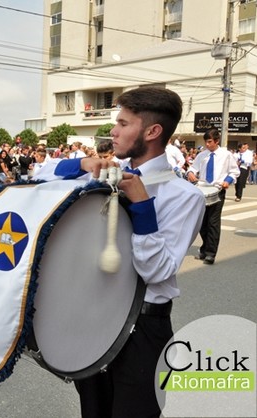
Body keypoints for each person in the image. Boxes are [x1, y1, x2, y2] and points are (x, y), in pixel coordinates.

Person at [35, 86, 205, 418]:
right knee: (93, 411)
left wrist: (142, 206)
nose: (113, 131)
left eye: (124, 123)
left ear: (152, 132)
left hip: (144, 330)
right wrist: (82, 163)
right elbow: (38, 177)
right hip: (94, 318)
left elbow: (158, 271)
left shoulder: (184, 196)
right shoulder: (105, 176)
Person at [186, 128, 239, 265]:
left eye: (209, 141)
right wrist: (190, 173)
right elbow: (193, 168)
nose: (207, 144)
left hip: (217, 190)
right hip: (202, 191)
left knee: (213, 222)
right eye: (206, 142)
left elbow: (234, 171)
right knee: (202, 223)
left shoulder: (226, 155)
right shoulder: (202, 155)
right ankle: (204, 248)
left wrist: (227, 181)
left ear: (217, 141)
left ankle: (210, 253)